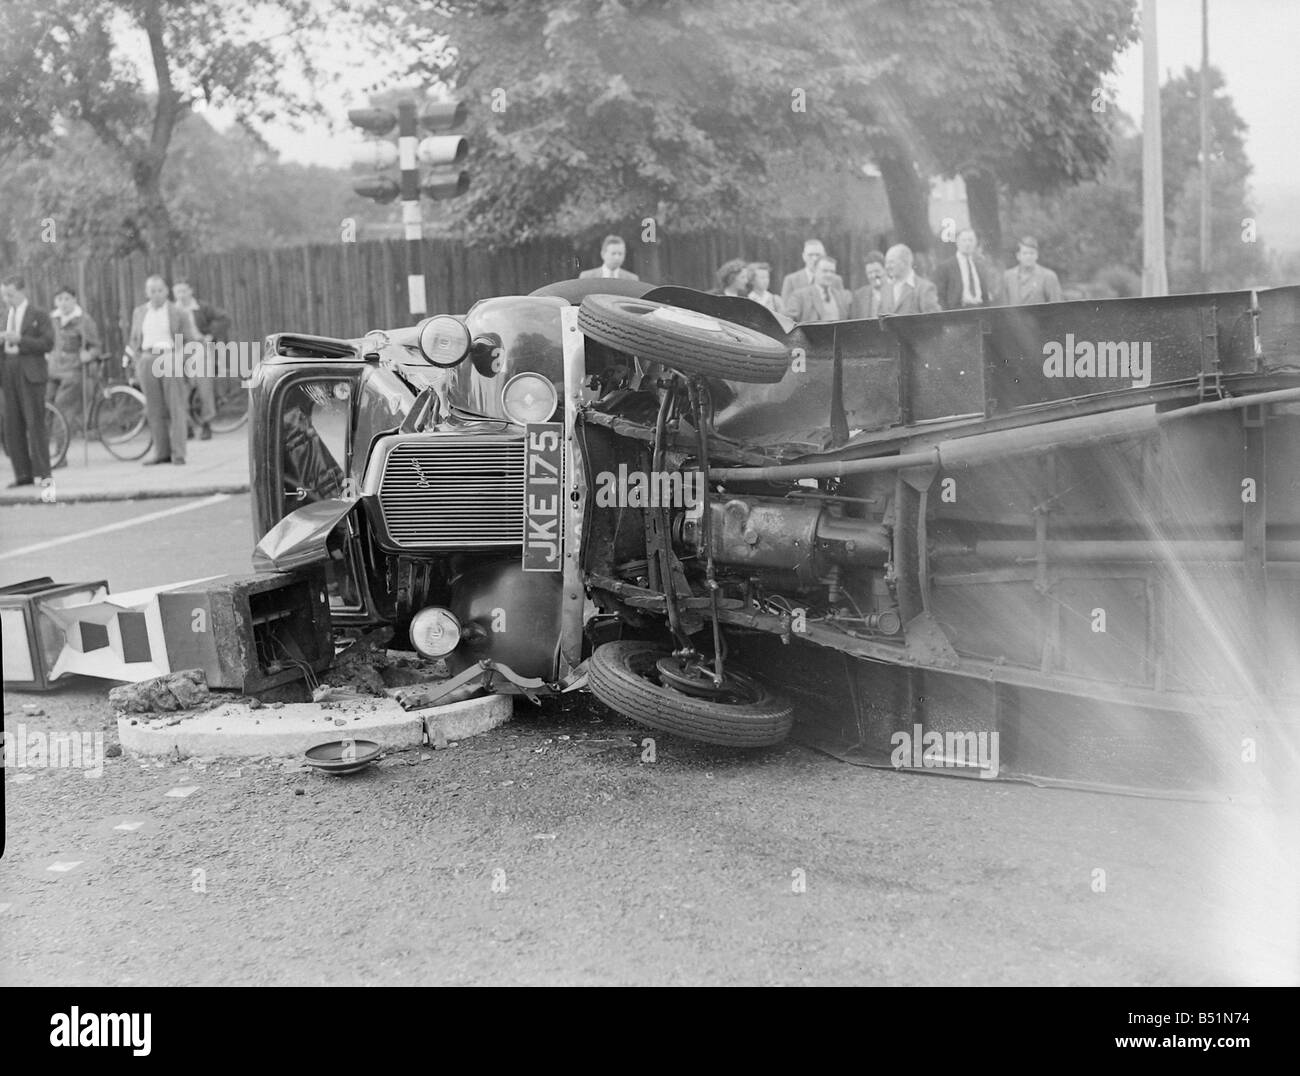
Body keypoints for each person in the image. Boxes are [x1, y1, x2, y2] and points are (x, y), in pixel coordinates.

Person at [128, 274, 203, 466]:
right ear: (146, 292)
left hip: (170, 357)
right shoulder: (139, 312)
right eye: (152, 291)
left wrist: (179, 357)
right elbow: (134, 339)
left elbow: (190, 341)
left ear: (166, 291)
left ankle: (179, 453)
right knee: (154, 409)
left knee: (175, 407)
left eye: (160, 290)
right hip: (147, 358)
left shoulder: (178, 312)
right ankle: (161, 452)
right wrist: (138, 361)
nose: (156, 294)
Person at [1, 274, 56, 489]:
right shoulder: (5, 314)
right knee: (12, 425)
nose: (7, 299)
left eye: (11, 294)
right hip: (8, 369)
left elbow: (47, 343)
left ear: (22, 291)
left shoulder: (38, 315)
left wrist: (21, 340)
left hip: (30, 371)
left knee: (35, 423)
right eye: (4, 295)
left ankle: (43, 474)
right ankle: (22, 473)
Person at [172, 280, 231, 441]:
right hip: (181, 348)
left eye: (184, 291)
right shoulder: (172, 310)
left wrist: (210, 334)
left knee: (203, 379)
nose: (181, 295)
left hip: (201, 346)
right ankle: (187, 424)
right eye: (178, 292)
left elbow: (224, 318)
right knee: (176, 383)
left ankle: (206, 422)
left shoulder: (201, 307)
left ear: (190, 291)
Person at [48, 285, 101, 440]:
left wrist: (89, 354)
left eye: (67, 299)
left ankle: (60, 450)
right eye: (59, 299)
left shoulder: (83, 320)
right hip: (53, 368)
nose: (63, 303)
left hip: (73, 370)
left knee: (62, 407)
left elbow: (96, 346)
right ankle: (43, 451)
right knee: (46, 404)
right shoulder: (52, 320)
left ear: (74, 300)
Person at [932, 228, 1003, 310]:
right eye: (964, 240)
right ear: (957, 243)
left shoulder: (980, 266)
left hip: (980, 310)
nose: (967, 244)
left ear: (975, 243)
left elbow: (985, 295)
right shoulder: (946, 267)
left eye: (971, 240)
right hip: (958, 312)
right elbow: (941, 297)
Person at [878, 244, 941, 315]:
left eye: (891, 262)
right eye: (886, 263)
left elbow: (934, 321)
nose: (887, 267)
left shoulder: (924, 288)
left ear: (905, 262)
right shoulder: (884, 289)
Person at [787, 256, 852, 323]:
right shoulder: (799, 296)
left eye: (832, 272)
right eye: (825, 271)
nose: (829, 275)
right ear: (814, 271)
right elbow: (789, 325)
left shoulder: (842, 297)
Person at [780, 238, 842, 308]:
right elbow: (786, 309)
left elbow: (841, 307)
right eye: (810, 255)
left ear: (824, 255)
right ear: (803, 256)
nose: (814, 258)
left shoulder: (835, 280)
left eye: (818, 255)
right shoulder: (791, 280)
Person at [1003, 236, 1062, 305]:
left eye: (1032, 253)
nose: (1028, 257)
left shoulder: (1049, 276)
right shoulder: (1008, 276)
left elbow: (1057, 307)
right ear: (1018, 256)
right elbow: (1003, 307)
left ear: (1037, 255)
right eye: (1025, 253)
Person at [850, 251, 887, 317]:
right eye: (870, 273)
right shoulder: (859, 295)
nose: (873, 276)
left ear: (885, 270)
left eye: (877, 271)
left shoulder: (895, 290)